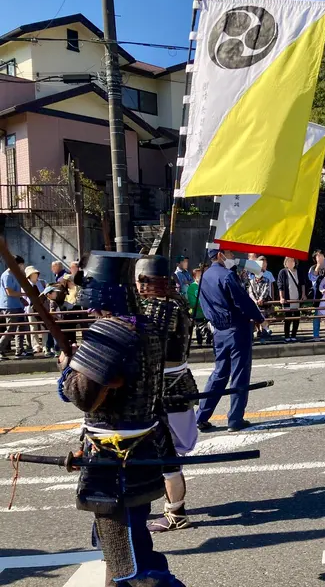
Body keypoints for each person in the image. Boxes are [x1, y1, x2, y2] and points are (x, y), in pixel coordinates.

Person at [57, 251, 185, 587]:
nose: (87, 308)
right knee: (119, 550)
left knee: (132, 560)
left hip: (115, 460)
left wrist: (67, 369)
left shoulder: (108, 332)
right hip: (140, 451)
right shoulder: (146, 326)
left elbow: (82, 395)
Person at [134, 256, 199, 534]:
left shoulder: (155, 309)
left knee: (165, 452)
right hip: (179, 383)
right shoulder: (179, 303)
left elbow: (146, 347)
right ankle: (171, 501)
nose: (136, 286)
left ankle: (176, 512)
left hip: (163, 389)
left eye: (139, 281)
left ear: (146, 281)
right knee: (168, 449)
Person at [196, 249, 264, 433]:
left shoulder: (204, 277)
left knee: (219, 373)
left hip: (218, 330)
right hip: (237, 328)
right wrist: (258, 317)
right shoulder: (227, 276)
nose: (233, 257)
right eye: (230, 253)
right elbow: (242, 301)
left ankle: (201, 417)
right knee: (239, 374)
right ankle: (235, 419)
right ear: (220, 255)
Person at [0, 255, 28, 361]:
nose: (22, 267)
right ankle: (0, 349)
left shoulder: (15, 274)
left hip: (17, 304)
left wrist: (21, 299)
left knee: (22, 327)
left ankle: (19, 350)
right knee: (11, 329)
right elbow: (9, 292)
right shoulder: (7, 275)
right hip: (9, 305)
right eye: (21, 265)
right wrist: (22, 294)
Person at [248, 257, 276, 344]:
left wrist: (261, 299)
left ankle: (264, 336)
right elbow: (250, 292)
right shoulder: (252, 281)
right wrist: (255, 300)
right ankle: (251, 337)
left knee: (264, 316)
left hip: (264, 302)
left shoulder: (266, 280)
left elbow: (266, 290)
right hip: (254, 303)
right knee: (252, 318)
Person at [278, 257, 304, 343]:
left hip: (297, 297)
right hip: (287, 298)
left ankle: (294, 335)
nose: (291, 262)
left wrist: (303, 294)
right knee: (288, 318)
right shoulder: (283, 272)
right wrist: (281, 297)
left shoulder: (299, 271)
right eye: (288, 261)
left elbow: (302, 283)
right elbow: (280, 285)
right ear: (285, 262)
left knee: (297, 317)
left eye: (292, 260)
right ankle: (286, 336)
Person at [187, 267, 212, 347]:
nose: (201, 277)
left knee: (209, 328)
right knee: (199, 328)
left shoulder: (205, 286)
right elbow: (193, 302)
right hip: (198, 313)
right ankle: (199, 342)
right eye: (199, 276)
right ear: (194, 277)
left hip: (207, 312)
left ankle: (208, 341)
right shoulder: (192, 287)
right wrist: (204, 303)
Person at [24, 266, 47, 354]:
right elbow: (23, 298)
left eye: (36, 274)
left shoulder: (42, 282)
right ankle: (36, 345)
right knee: (33, 327)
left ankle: (45, 345)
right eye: (33, 274)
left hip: (42, 306)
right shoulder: (25, 284)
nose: (35, 276)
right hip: (30, 307)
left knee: (44, 326)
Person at [308, 250, 325, 342]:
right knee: (317, 315)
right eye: (317, 256)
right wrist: (318, 267)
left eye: (321, 255)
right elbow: (312, 278)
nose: (320, 257)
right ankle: (316, 334)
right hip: (317, 295)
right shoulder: (312, 268)